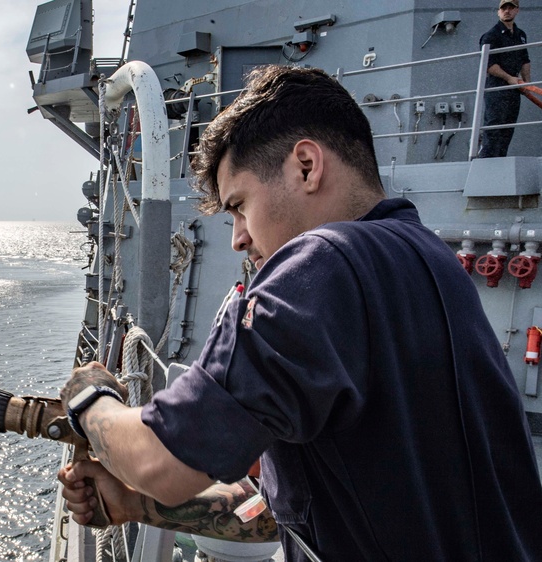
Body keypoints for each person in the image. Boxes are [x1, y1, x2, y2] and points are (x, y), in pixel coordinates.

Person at [58, 65, 542, 560]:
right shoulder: (432, 263)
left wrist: (90, 399)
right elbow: (289, 513)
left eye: (240, 205)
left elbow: (159, 460)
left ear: (307, 166)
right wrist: (139, 505)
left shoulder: (319, 267)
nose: (238, 237)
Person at [478, 0, 531, 158]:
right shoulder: (491, 35)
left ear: (517, 11)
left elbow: (524, 59)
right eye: (503, 8)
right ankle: (487, 165)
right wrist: (509, 78)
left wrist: (526, 83)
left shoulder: (520, 35)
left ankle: (500, 163)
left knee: (507, 129)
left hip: (514, 89)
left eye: (510, 8)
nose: (507, 11)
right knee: (494, 128)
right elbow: (489, 64)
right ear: (498, 12)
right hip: (497, 87)